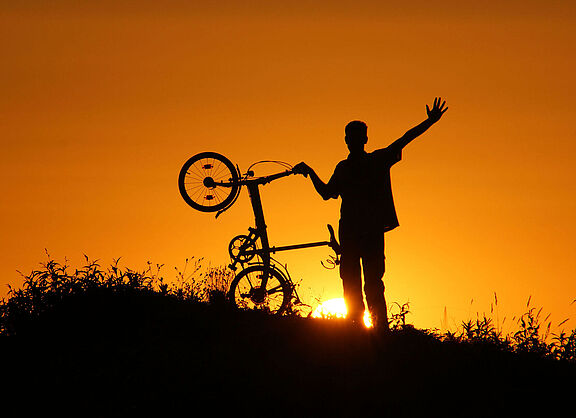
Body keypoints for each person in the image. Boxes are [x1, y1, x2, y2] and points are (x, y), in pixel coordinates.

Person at [293, 97, 448, 332]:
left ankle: (368, 328)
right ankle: (367, 328)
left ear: (360, 139)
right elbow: (328, 193)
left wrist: (429, 122)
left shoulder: (366, 162)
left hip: (363, 233)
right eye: (351, 136)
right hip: (360, 233)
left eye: (355, 136)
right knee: (362, 283)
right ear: (353, 139)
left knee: (362, 283)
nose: (353, 140)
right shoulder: (359, 164)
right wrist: (310, 172)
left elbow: (326, 193)